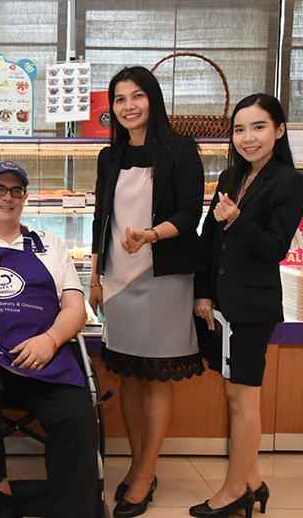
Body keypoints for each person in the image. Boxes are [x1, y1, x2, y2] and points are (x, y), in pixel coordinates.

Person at [0, 161, 99, 518]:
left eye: (16, 190)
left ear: (24, 197)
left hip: (44, 359)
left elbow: (75, 306)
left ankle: (73, 511)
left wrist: (51, 340)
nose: (7, 197)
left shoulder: (51, 245)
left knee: (76, 415)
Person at [89, 66, 205, 517]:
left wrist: (150, 236)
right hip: (117, 278)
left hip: (163, 276)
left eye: (137, 96)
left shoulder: (180, 150)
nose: (128, 106)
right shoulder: (109, 156)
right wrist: (95, 279)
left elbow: (189, 213)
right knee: (130, 373)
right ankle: (141, 466)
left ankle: (144, 472)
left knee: (156, 374)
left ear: (152, 100)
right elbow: (102, 221)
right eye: (119, 99)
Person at [190, 94, 303, 518]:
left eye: (259, 127)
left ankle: (234, 490)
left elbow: (275, 247)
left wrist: (238, 219)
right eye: (240, 129)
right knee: (232, 393)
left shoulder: (289, 182)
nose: (248, 137)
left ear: (278, 130)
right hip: (219, 306)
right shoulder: (228, 176)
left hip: (253, 308)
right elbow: (208, 239)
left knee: (244, 400)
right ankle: (254, 482)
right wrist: (202, 291)